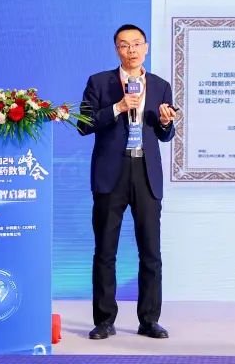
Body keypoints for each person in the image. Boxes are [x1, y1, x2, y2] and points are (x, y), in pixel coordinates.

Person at [79, 24, 178, 340]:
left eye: (136, 44)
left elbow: (163, 134)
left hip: (146, 173)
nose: (131, 50)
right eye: (124, 45)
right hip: (111, 172)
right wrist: (118, 107)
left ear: (146, 48)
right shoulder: (99, 82)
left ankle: (149, 320)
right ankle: (104, 320)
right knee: (105, 251)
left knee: (151, 253)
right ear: (116, 50)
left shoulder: (161, 86)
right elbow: (83, 124)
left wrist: (166, 123)